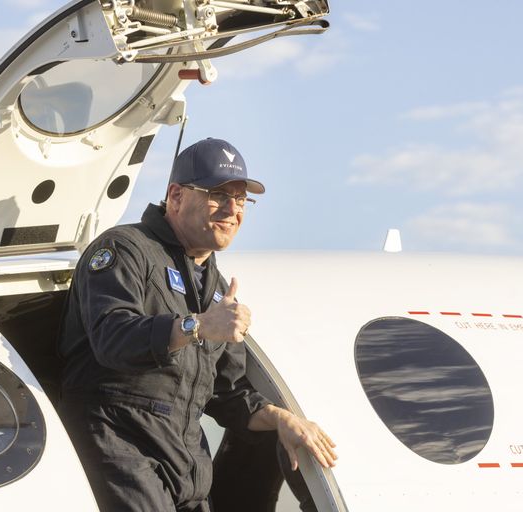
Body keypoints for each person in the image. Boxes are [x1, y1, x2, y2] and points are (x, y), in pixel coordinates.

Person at [56, 138, 337, 511]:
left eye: (241, 199)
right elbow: (113, 339)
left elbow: (228, 394)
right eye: (219, 194)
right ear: (175, 196)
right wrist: (198, 326)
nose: (232, 209)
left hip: (185, 459)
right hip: (119, 444)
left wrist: (281, 419)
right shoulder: (124, 250)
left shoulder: (216, 288)